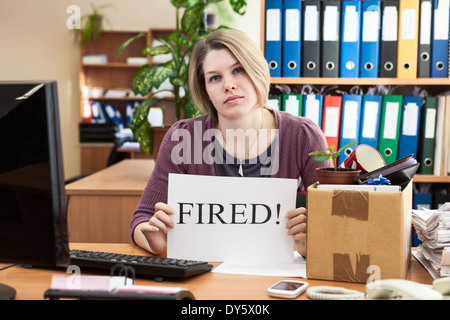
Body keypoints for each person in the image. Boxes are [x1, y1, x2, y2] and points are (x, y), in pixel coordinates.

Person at [130, 29, 331, 258]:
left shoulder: (302, 135)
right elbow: (141, 219)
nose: (229, 85)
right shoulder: (183, 138)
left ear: (256, 70)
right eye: (215, 78)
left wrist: (312, 243)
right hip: (205, 276)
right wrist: (155, 241)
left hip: (273, 278)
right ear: (205, 89)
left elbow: (337, 221)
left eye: (238, 70)